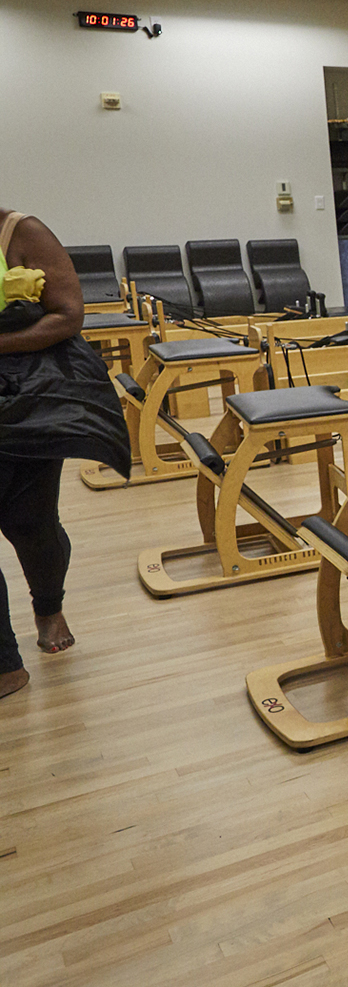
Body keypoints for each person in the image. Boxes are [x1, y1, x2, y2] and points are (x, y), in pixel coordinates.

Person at [0, 209, 130, 700]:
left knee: (31, 524)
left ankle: (48, 606)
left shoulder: (20, 232)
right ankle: (5, 665)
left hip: (23, 399)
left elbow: (69, 316)